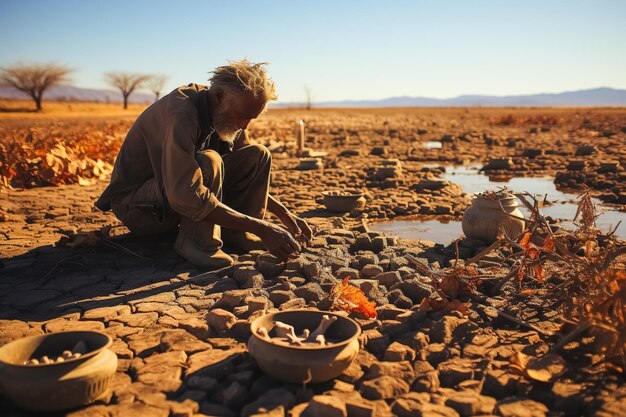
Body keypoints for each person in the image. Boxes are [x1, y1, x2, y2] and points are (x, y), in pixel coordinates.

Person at [95, 59, 312, 269]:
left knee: (258, 155)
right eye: (242, 116)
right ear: (219, 96)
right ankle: (197, 242)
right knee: (209, 160)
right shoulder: (182, 114)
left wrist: (283, 214)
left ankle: (236, 234)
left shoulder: (224, 113)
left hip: (168, 196)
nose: (244, 126)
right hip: (141, 208)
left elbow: (246, 173)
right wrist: (262, 228)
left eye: (251, 119)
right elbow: (186, 193)